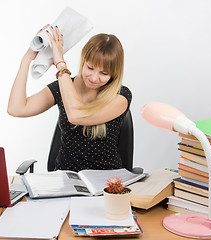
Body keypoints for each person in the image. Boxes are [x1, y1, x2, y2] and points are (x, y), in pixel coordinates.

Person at [7, 25, 131, 172]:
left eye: (104, 73)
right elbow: (16, 108)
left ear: (114, 74)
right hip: (67, 180)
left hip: (105, 183)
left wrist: (60, 64)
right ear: (83, 60)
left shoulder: (121, 96)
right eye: (90, 68)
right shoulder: (64, 86)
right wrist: (27, 58)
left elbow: (76, 115)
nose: (94, 77)